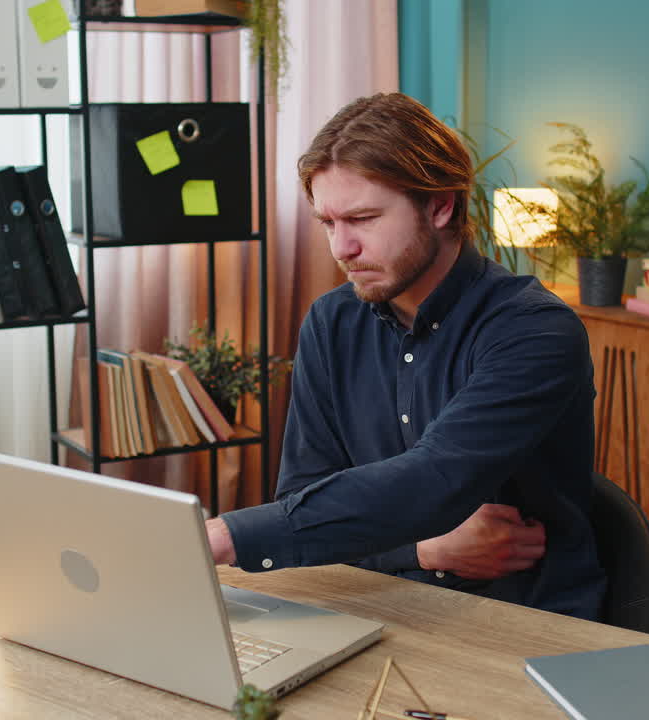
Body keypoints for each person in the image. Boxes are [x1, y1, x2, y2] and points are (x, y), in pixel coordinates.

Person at [205, 92, 605, 620]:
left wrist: (226, 536)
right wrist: (422, 551)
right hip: (378, 603)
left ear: (440, 205)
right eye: (328, 223)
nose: (340, 248)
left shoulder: (534, 331)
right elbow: (304, 492)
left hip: (526, 619)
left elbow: (435, 480)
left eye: (363, 218)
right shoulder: (331, 322)